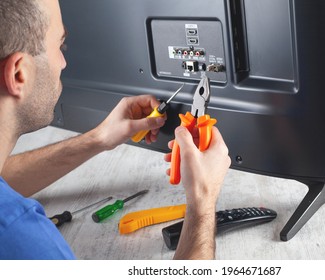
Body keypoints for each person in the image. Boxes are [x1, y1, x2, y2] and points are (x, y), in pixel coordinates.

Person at [0, 0, 230, 260]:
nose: (63, 62)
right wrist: (202, 202)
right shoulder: (25, 243)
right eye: (59, 45)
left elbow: (5, 180)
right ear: (19, 74)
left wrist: (98, 138)